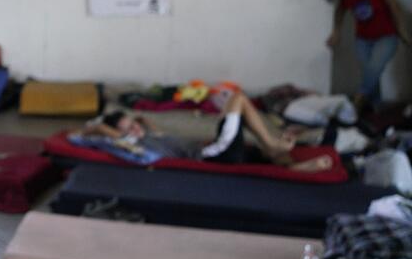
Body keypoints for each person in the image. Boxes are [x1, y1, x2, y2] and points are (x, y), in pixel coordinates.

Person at [84, 90, 332, 173]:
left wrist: (135, 119)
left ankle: (290, 165)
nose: (135, 128)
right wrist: (101, 125)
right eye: (129, 128)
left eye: (135, 124)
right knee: (237, 100)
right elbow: (98, 131)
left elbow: (145, 122)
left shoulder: (151, 135)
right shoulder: (132, 144)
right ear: (120, 133)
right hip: (211, 155)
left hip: (216, 149)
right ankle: (272, 144)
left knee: (257, 146)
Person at [325, 0, 411, 108]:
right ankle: (376, 104)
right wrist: (336, 31)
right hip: (363, 39)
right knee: (369, 71)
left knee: (374, 66)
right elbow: (340, 12)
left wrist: (402, 32)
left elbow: (395, 9)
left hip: (387, 36)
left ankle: (359, 99)